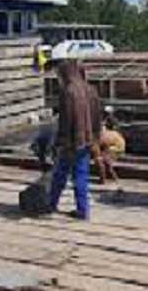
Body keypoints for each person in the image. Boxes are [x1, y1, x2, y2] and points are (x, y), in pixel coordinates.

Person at [48, 60, 97, 220]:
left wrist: (59, 142)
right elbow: (97, 116)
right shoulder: (90, 90)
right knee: (81, 175)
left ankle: (51, 203)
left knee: (60, 174)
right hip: (87, 140)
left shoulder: (68, 91)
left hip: (71, 141)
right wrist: (95, 137)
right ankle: (83, 210)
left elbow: (65, 120)